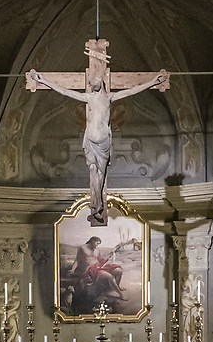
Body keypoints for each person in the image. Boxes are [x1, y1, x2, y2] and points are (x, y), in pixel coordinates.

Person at [26, 38, 171, 223]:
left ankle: (98, 205)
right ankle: (96, 206)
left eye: (93, 81)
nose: (91, 83)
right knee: (94, 171)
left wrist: (152, 82)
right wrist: (44, 80)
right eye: (90, 82)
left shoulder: (109, 97)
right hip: (90, 140)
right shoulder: (88, 97)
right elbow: (65, 91)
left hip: (103, 141)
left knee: (100, 175)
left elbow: (133, 91)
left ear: (100, 83)